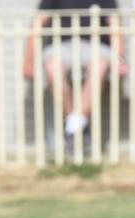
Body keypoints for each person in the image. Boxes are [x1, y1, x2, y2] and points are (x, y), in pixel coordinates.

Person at [23, 0, 125, 144]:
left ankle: (72, 128)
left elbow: (115, 26)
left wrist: (119, 60)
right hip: (61, 45)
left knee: (99, 66)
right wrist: (28, 60)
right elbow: (37, 24)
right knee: (52, 67)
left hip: (96, 46)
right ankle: (79, 126)